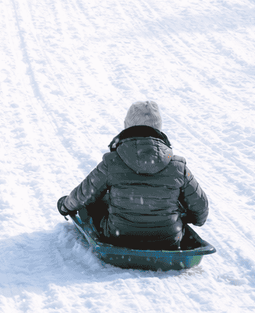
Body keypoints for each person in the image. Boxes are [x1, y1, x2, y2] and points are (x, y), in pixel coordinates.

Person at [57, 101, 208, 250]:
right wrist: (186, 218)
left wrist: (65, 206)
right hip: (167, 239)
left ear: (127, 126)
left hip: (119, 237)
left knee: (95, 200)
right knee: (174, 198)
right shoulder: (177, 166)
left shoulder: (113, 161)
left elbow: (84, 193)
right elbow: (200, 207)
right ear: (159, 128)